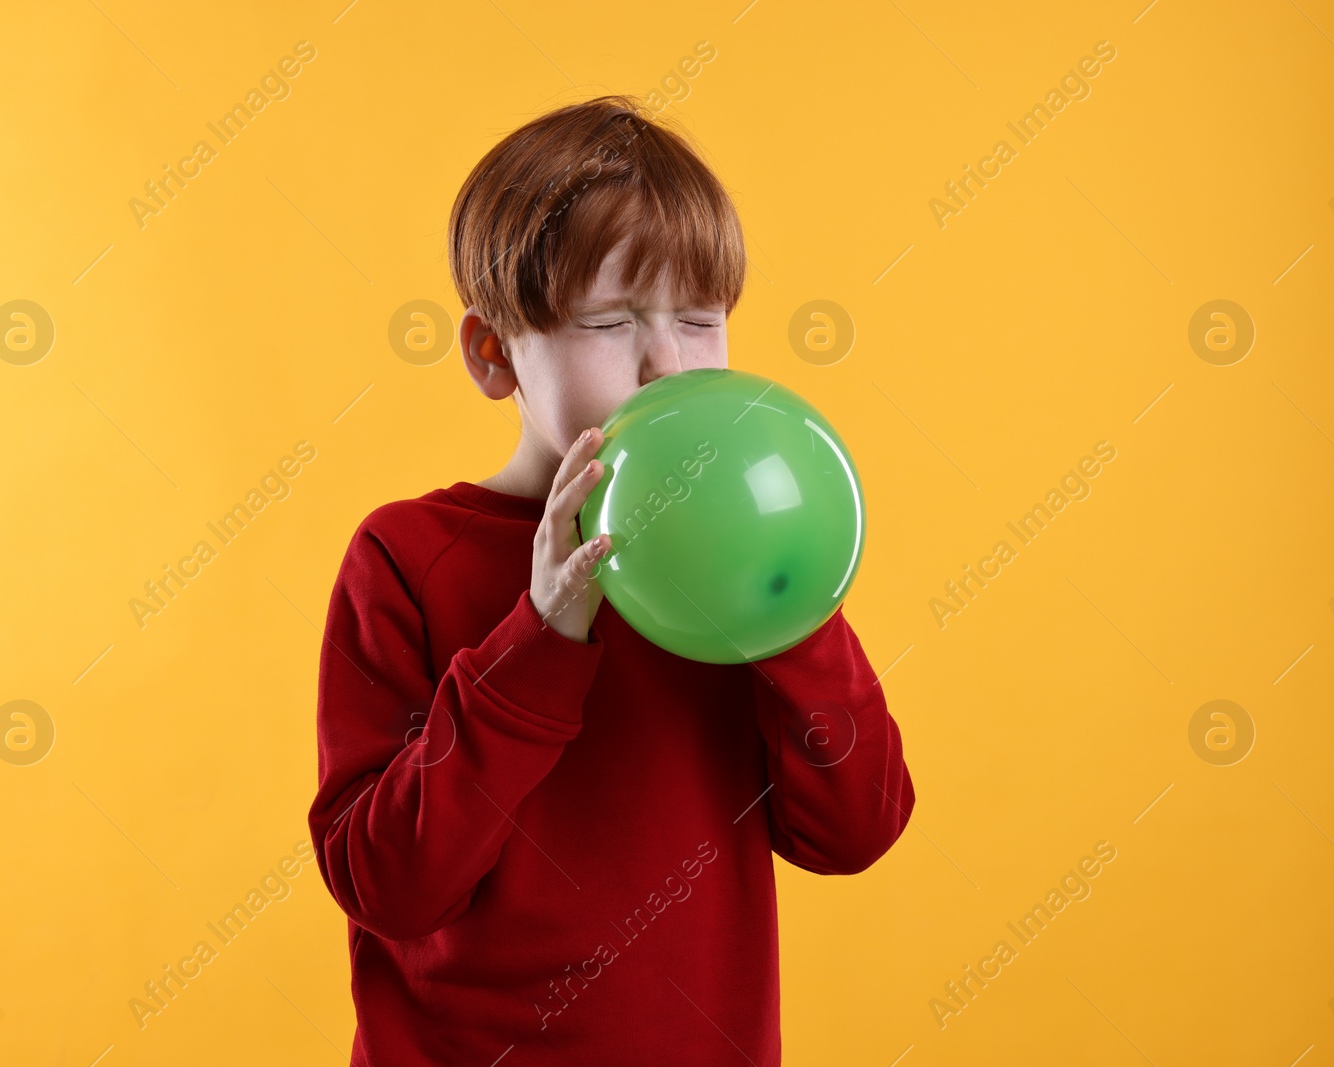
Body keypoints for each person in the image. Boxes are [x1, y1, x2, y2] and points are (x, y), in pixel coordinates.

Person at [307, 94, 915, 1066]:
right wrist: (539, 635)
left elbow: (857, 827)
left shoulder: (746, 565)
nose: (664, 365)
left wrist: (791, 609)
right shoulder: (406, 557)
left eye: (697, 320)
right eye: (606, 321)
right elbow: (390, 883)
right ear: (493, 353)